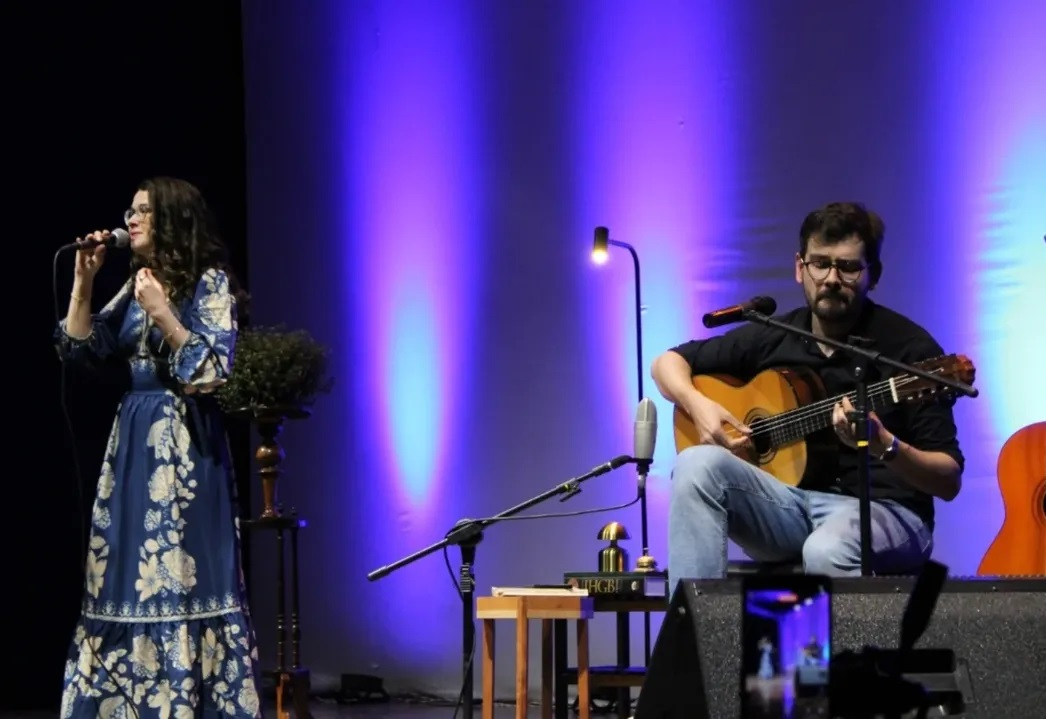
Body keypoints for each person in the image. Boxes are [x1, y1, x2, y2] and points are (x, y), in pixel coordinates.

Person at [652, 201, 964, 582]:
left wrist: (886, 445)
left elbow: (947, 481)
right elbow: (666, 364)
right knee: (694, 464)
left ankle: (845, 645)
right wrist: (697, 404)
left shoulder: (911, 352)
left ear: (873, 274)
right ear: (800, 268)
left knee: (826, 549)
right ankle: (692, 637)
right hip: (790, 508)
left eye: (848, 266)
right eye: (820, 263)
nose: (831, 278)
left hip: (890, 511)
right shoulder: (775, 335)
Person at [55, 177, 262, 718]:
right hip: (132, 446)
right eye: (131, 208)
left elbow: (212, 372)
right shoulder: (135, 283)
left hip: (187, 443)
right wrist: (84, 282)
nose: (132, 217)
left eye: (145, 210)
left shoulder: (208, 283)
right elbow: (82, 350)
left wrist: (166, 313)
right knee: (122, 573)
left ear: (174, 220)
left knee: (185, 576)